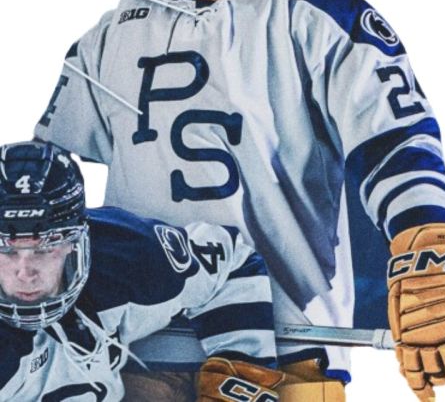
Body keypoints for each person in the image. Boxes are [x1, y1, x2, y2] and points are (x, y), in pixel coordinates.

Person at [33, 0, 445, 400]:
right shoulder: (112, 33)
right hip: (140, 352)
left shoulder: (319, 16)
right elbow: (41, 183)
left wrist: (425, 242)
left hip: (284, 351)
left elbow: (394, 141)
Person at [0, 141, 285, 401]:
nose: (25, 272)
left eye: (46, 247)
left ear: (75, 242)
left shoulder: (127, 255)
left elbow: (232, 264)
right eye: (6, 249)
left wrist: (238, 380)